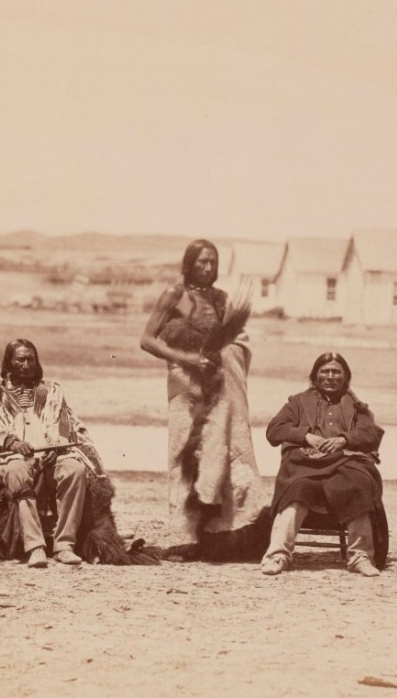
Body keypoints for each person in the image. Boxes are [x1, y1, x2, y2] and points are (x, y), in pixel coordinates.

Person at [0, 339, 157, 568]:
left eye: (30, 359)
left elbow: (63, 426)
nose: (26, 365)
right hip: (10, 458)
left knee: (75, 470)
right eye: (20, 360)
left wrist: (56, 447)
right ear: (8, 363)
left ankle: (64, 545)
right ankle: (35, 547)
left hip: (50, 455)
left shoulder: (52, 391)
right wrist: (14, 444)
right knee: (17, 472)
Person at [140, 239, 269, 560]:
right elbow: (147, 340)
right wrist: (185, 358)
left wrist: (225, 355)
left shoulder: (221, 299)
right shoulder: (177, 296)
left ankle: (222, 534)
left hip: (220, 388)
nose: (208, 268)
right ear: (189, 263)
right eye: (201, 262)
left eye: (213, 262)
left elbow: (233, 340)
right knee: (187, 452)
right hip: (187, 388)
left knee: (223, 450)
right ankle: (187, 536)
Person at [260, 352, 389, 577]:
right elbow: (274, 430)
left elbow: (371, 433)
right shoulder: (297, 402)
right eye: (325, 371)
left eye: (336, 372)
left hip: (345, 463)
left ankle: (360, 556)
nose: (330, 376)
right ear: (315, 375)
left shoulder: (357, 406)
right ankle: (278, 555)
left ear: (345, 377)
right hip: (305, 465)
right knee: (297, 487)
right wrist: (305, 436)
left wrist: (344, 439)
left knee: (359, 483)